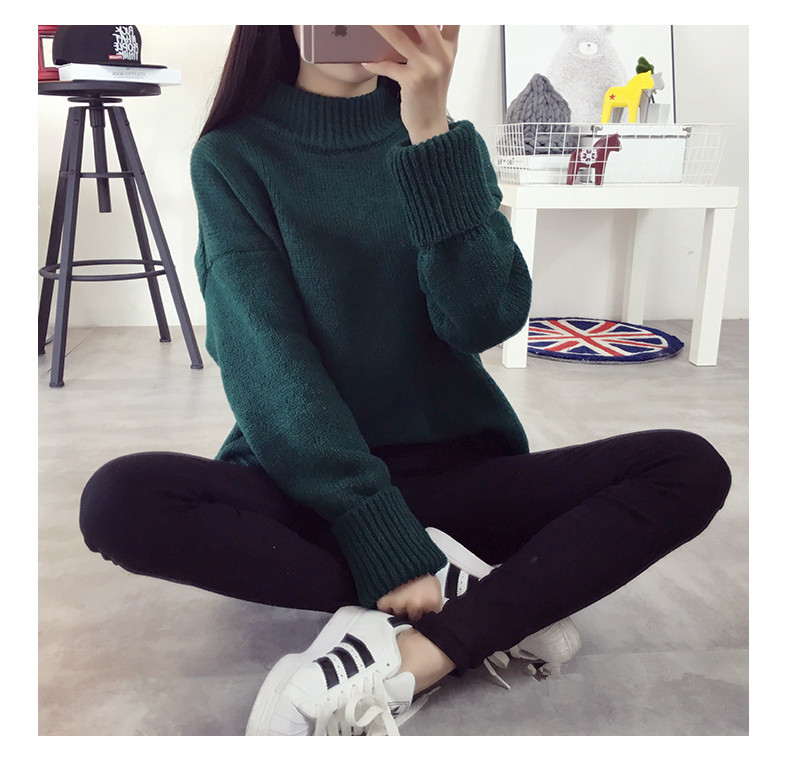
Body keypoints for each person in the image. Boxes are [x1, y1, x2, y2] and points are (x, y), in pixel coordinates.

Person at [79, 25, 732, 736]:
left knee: (687, 467)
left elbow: (483, 319)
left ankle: (428, 649)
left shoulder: (447, 142)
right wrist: (378, 533)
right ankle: (486, 597)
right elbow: (269, 364)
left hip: (459, 476)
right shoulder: (233, 157)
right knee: (121, 500)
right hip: (316, 488)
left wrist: (429, 133)